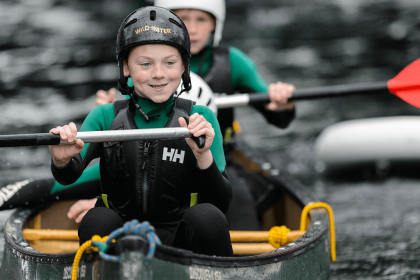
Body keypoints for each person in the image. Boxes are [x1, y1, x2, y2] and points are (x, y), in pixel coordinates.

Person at [48, 6, 233, 257]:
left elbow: (221, 203)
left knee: (208, 217)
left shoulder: (201, 118)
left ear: (183, 68)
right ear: (126, 68)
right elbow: (69, 176)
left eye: (169, 63)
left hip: (181, 236)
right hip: (120, 234)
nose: (158, 74)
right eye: (145, 64)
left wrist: (203, 156)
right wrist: (62, 159)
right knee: (97, 219)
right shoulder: (105, 117)